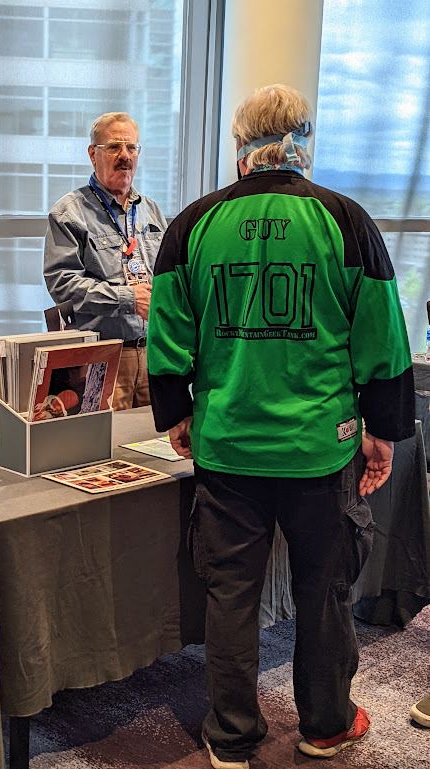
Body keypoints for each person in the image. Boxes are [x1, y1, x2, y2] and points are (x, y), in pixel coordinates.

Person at [147, 84, 415, 768]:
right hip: (318, 452)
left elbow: (168, 331)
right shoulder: (344, 219)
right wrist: (380, 430)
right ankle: (325, 723)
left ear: (237, 142)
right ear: (302, 138)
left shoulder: (191, 225)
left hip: (226, 445)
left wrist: (176, 412)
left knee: (228, 590)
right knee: (324, 587)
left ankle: (231, 735)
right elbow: (381, 334)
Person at [44, 112, 167, 410]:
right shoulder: (69, 213)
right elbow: (63, 285)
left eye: (131, 148)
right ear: (93, 154)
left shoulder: (151, 211)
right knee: (105, 445)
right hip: (101, 357)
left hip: (153, 354)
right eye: (114, 147)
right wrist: (128, 298)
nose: (124, 156)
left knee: (156, 443)